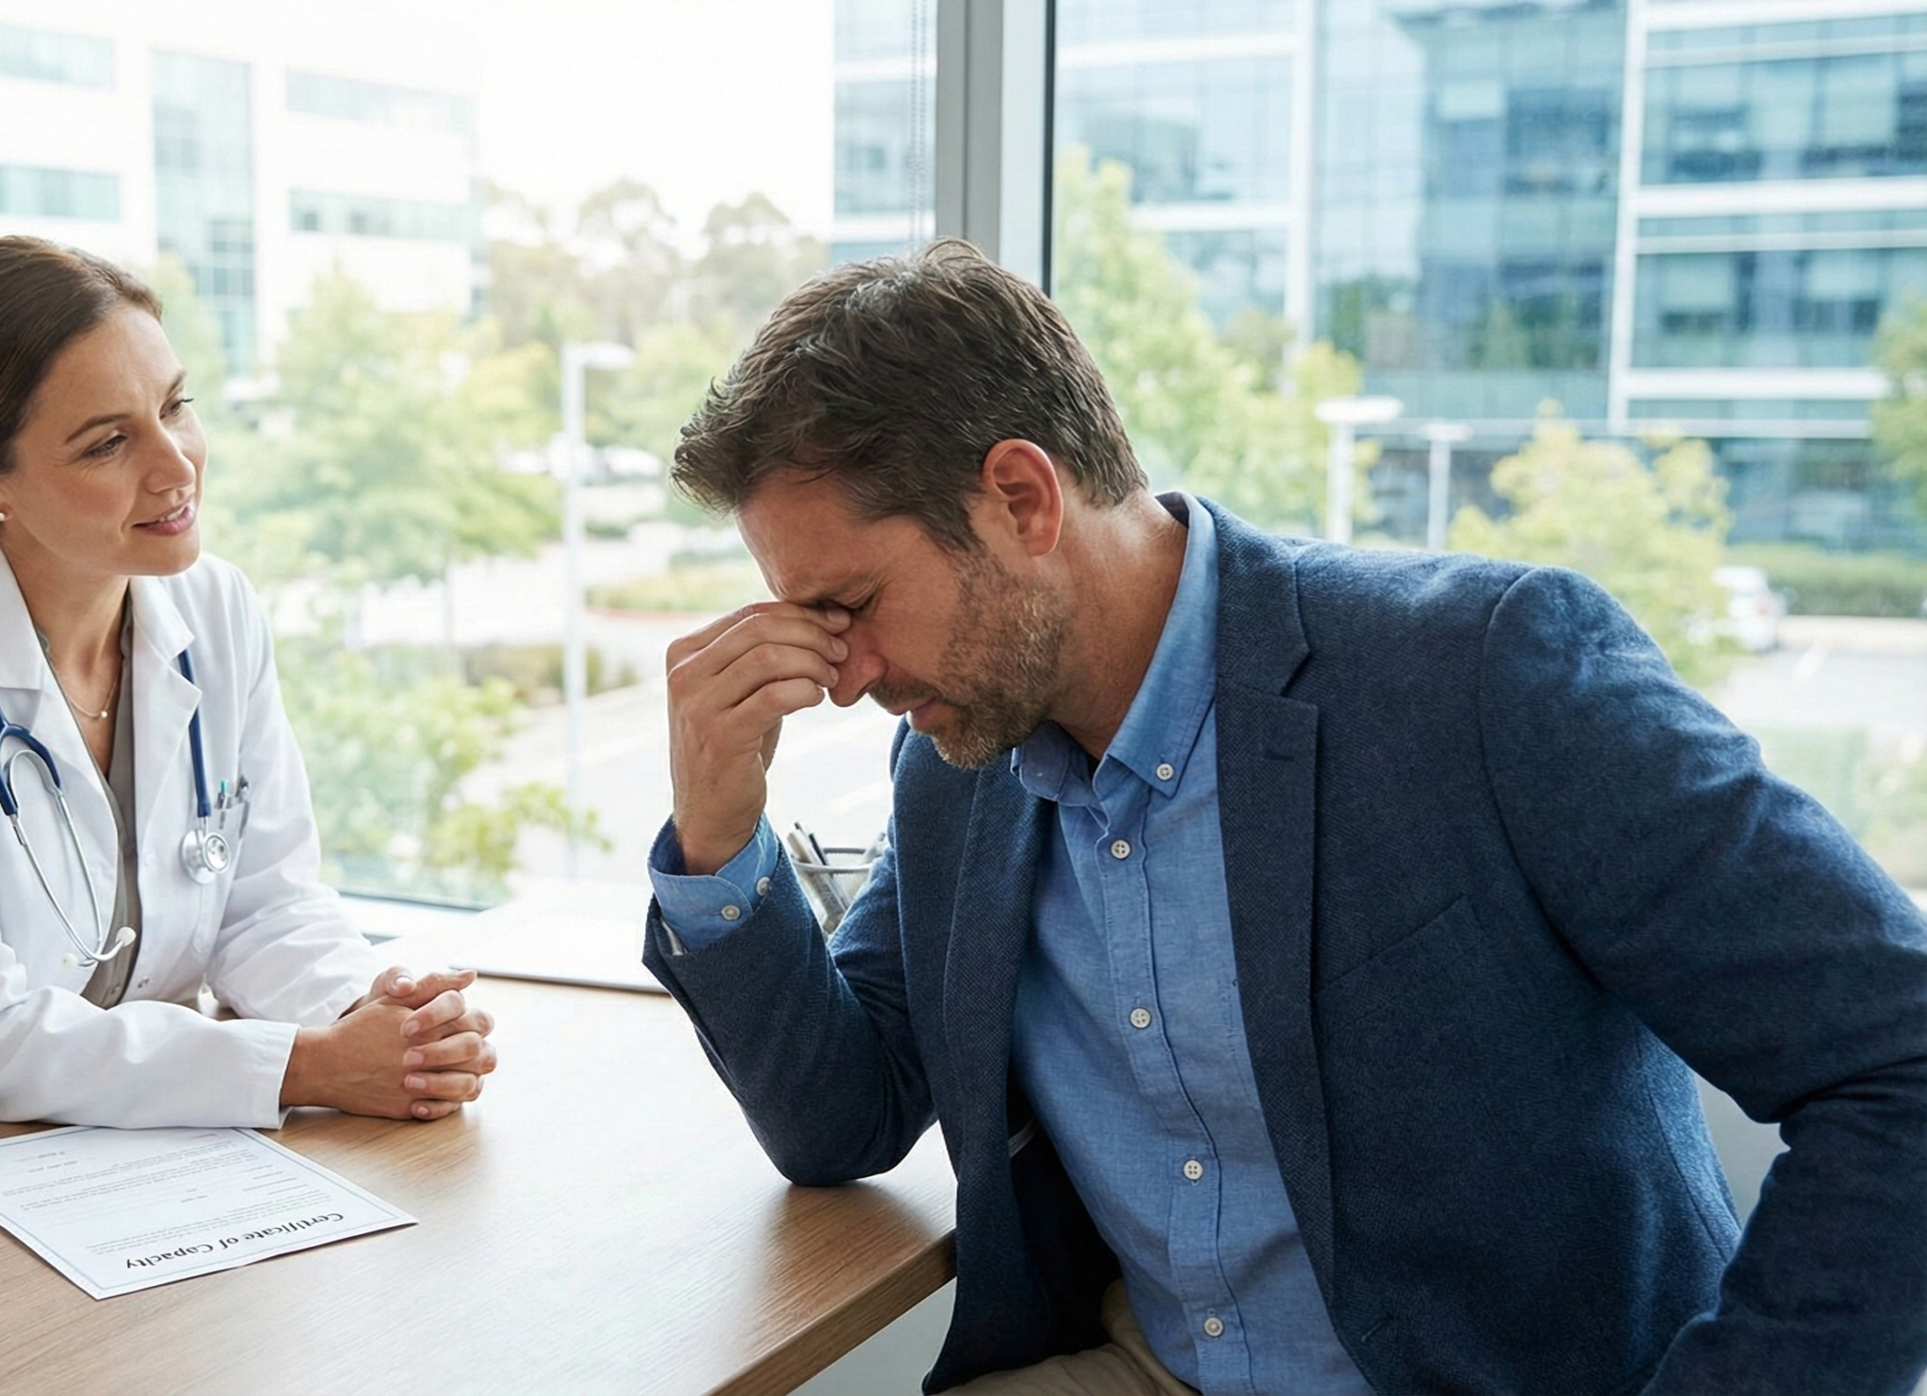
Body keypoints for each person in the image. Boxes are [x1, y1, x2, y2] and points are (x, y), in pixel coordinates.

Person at [645, 240, 1927, 1395]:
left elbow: (1898, 1058)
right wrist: (716, 836)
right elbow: (839, 1117)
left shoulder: (1482, 674)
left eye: (850, 603)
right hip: (1152, 1361)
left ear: (1022, 499)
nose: (842, 675)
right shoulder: (961, 773)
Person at [0, 236, 497, 1128]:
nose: (176, 465)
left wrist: (371, 1016)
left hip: (105, 1154)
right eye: (109, 442)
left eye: (175, 405)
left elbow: (264, 906)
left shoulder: (212, 607)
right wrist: (308, 1068)